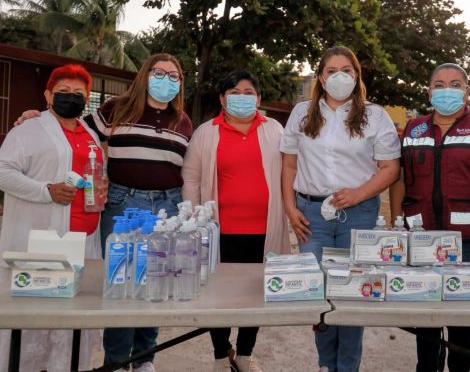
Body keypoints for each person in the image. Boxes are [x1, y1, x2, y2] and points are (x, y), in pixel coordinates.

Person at [15, 53, 193, 372]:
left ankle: (144, 359)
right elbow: (72, 130)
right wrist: (37, 116)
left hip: (167, 207)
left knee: (153, 283)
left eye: (174, 76)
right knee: (122, 283)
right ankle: (117, 362)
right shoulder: (117, 108)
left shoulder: (183, 121)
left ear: (180, 83)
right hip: (125, 204)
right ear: (144, 75)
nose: (166, 80)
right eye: (159, 73)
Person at [281, 46, 401, 372]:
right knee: (318, 293)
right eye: (331, 70)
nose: (339, 76)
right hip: (311, 216)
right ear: (320, 78)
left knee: (352, 295)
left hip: (358, 215)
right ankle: (325, 364)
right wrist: (290, 208)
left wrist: (359, 193)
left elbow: (390, 168)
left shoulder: (375, 115)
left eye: (346, 70)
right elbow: (289, 165)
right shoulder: (302, 113)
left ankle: (347, 367)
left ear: (356, 75)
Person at [389, 63, 470, 372]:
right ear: (429, 92)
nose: (447, 90)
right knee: (426, 320)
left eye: (455, 84)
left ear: (467, 91)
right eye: (439, 85)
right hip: (420, 240)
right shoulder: (413, 129)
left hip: (466, 243)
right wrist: (397, 224)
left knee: (461, 322)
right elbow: (399, 180)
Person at [182, 70, 291, 372]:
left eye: (248, 92)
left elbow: (289, 171)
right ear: (222, 98)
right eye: (234, 92)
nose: (241, 98)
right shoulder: (206, 132)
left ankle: (244, 355)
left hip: (264, 230)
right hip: (219, 231)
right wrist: (195, 219)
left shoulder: (274, 130)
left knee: (255, 295)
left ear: (258, 98)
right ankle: (221, 354)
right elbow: (191, 178)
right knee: (217, 295)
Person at [0, 64, 105, 372]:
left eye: (78, 93)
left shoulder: (90, 134)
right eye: (63, 91)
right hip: (42, 242)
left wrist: (101, 188)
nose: (71, 97)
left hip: (83, 241)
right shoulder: (28, 130)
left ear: (87, 98)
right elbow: (3, 172)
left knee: (72, 322)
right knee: (34, 319)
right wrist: (45, 190)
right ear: (48, 95)